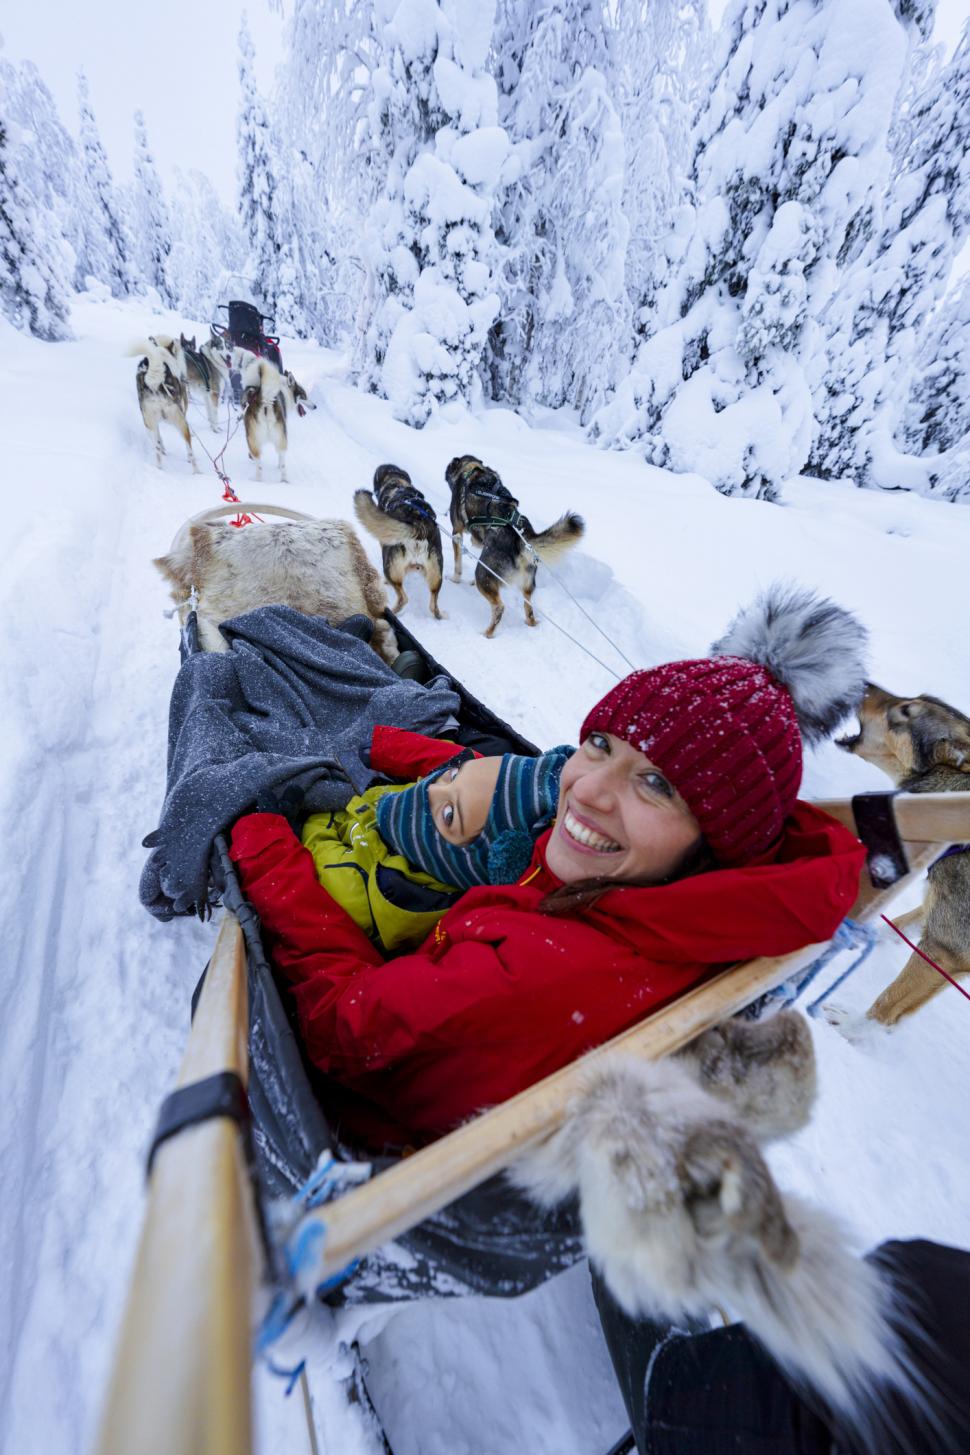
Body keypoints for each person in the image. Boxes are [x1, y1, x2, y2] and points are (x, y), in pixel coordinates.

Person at [229, 585, 869, 1149]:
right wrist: (392, 751)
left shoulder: (540, 970)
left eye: (656, 783)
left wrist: (262, 842)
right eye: (600, 744)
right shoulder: (640, 884)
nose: (586, 790)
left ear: (716, 840)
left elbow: (342, 1029)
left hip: (377, 1106)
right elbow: (511, 778)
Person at [295, 728, 573, 952]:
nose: (431, 788)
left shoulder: (368, 892)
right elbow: (467, 767)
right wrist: (390, 746)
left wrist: (318, 812)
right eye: (452, 775)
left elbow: (317, 845)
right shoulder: (429, 819)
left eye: (450, 814)